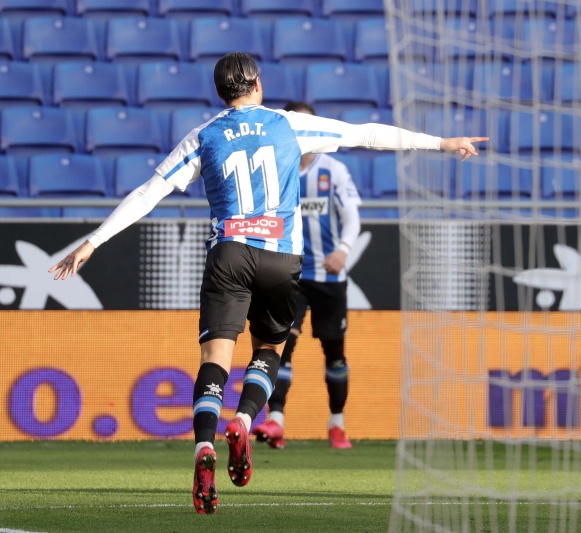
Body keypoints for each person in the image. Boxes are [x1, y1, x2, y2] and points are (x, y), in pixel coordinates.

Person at [49, 51, 488, 515]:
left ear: (220, 91)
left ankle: (204, 447)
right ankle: (243, 420)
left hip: (229, 254)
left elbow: (147, 193)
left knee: (214, 359)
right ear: (257, 83)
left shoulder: (203, 135)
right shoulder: (288, 124)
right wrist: (442, 142)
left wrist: (92, 242)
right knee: (269, 351)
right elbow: (367, 134)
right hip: (281, 256)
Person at [252, 101, 359, 451]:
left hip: (328, 278)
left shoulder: (333, 170)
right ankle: (276, 421)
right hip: (290, 274)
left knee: (334, 353)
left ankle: (337, 424)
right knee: (282, 346)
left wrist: (343, 249)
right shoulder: (273, 168)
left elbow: (352, 217)